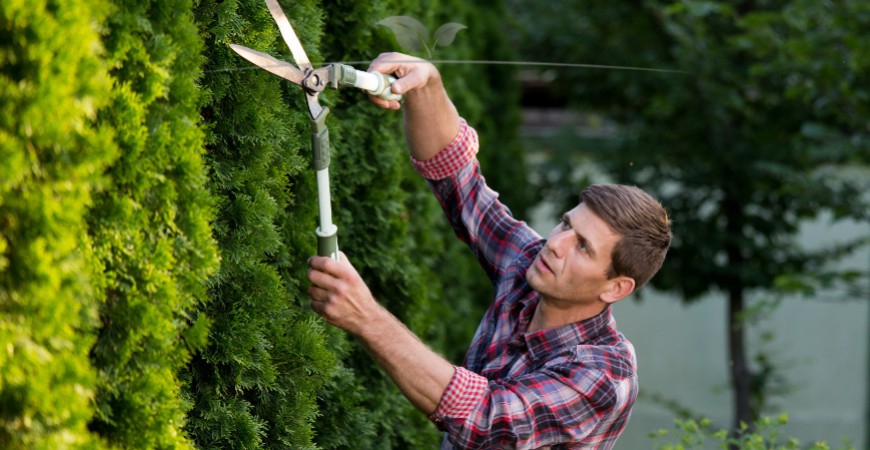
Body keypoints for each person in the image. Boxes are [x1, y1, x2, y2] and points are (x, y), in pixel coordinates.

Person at [307, 52, 672, 449]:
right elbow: (459, 184)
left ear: (616, 288)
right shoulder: (534, 269)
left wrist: (368, 319)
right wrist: (428, 86)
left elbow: (489, 419)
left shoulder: (605, 375)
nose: (556, 242)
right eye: (567, 223)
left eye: (583, 247)